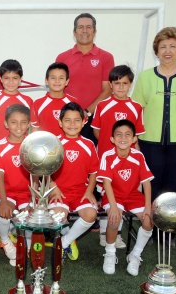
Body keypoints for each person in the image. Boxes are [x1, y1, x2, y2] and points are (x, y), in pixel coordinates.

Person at [131, 27, 176, 209]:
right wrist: (135, 139)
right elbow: (136, 110)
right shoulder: (145, 77)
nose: (168, 51)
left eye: (173, 46)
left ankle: (169, 232)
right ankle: (150, 228)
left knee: (174, 188)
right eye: (163, 46)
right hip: (149, 142)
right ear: (156, 51)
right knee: (151, 186)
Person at [92, 64, 145, 248]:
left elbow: (135, 137)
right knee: (108, 194)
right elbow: (98, 132)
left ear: (130, 84)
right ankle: (105, 233)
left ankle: (117, 234)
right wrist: (109, 149)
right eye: (117, 83)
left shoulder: (136, 107)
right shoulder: (102, 105)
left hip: (127, 163)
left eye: (124, 83)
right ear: (111, 85)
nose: (121, 87)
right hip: (107, 162)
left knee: (122, 194)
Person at [97, 120, 154, 275]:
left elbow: (147, 183)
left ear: (134, 139)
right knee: (114, 219)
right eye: (119, 134)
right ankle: (110, 253)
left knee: (149, 220)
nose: (123, 137)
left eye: (128, 134)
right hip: (113, 195)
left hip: (132, 195)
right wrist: (114, 207)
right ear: (112, 139)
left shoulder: (138, 156)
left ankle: (135, 255)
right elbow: (107, 183)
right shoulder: (107, 156)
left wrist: (148, 207)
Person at [48, 102, 99, 261]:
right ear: (60, 122)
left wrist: (90, 190)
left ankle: (64, 242)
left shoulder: (89, 144)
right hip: (59, 191)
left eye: (77, 120)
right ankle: (69, 239)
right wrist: (53, 186)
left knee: (91, 215)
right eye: (67, 120)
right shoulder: (53, 143)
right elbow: (44, 169)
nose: (72, 124)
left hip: (80, 191)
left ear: (84, 122)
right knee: (58, 217)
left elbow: (93, 172)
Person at [56, 13, 115, 143]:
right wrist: (73, 115)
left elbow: (108, 90)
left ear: (94, 32)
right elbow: (57, 88)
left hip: (94, 118)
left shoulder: (106, 57)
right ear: (74, 32)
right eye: (81, 27)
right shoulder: (62, 58)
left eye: (88, 27)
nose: (84, 30)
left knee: (91, 157)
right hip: (68, 119)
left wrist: (86, 113)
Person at [0, 104, 32, 266]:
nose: (19, 126)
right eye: (14, 122)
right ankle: (4, 240)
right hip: (4, 191)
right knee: (5, 211)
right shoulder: (0, 146)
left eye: (23, 122)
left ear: (29, 124)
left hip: (25, 193)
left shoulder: (32, 145)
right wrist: (3, 201)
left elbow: (35, 176)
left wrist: (33, 202)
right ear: (6, 124)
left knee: (30, 216)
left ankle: (26, 246)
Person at [0, 59, 33, 143]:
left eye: (15, 78)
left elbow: (30, 126)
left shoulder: (27, 101)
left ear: (21, 79)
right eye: (6, 78)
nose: (11, 82)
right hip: (0, 152)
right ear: (0, 79)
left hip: (21, 151)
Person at [32, 62, 80, 134]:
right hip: (45, 145)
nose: (57, 81)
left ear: (67, 81)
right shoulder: (38, 103)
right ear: (46, 81)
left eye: (61, 78)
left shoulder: (74, 102)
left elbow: (78, 129)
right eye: (53, 78)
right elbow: (34, 132)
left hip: (67, 145)